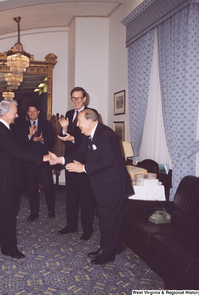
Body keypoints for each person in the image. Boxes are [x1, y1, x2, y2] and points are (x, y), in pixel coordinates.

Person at [49, 109, 134, 265]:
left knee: (109, 222)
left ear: (90, 120)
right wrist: (60, 160)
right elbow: (79, 154)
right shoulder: (90, 136)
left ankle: (107, 253)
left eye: (80, 121)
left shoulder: (106, 135)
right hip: (104, 187)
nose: (77, 124)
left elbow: (106, 161)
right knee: (106, 220)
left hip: (113, 187)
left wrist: (83, 168)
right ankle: (108, 249)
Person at [0, 100, 50, 259]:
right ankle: (9, 248)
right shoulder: (0, 130)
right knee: (8, 214)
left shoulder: (4, 128)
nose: (17, 115)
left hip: (7, 177)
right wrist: (42, 158)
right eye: (14, 112)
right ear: (6, 113)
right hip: (3, 179)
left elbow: (15, 151)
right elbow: (17, 151)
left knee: (8, 210)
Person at [57, 87, 97, 240]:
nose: (76, 101)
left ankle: (87, 229)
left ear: (84, 99)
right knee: (70, 194)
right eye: (73, 98)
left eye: (79, 98)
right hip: (70, 158)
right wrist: (65, 129)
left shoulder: (90, 114)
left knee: (86, 197)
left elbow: (87, 139)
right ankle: (71, 225)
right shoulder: (68, 114)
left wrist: (72, 139)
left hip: (84, 162)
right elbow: (63, 136)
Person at [17, 102, 56, 221]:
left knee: (48, 186)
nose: (32, 113)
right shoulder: (22, 125)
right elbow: (19, 143)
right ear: (27, 113)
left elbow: (52, 141)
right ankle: (34, 213)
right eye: (30, 111)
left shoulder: (46, 124)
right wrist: (29, 136)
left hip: (44, 162)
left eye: (34, 111)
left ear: (38, 112)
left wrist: (42, 139)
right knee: (32, 188)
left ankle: (51, 209)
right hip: (29, 163)